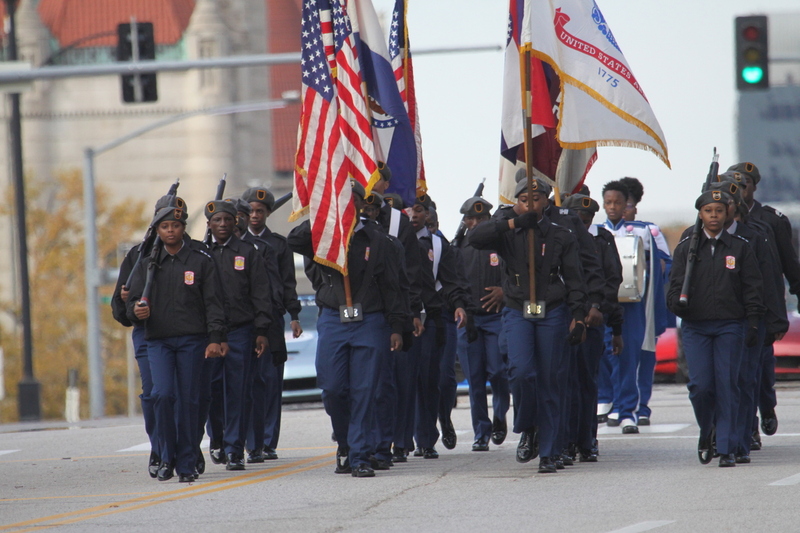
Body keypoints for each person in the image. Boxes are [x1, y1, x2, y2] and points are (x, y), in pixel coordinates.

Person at [287, 180, 406, 478]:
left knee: (366, 390)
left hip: (370, 320)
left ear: (358, 204)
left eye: (346, 200)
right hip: (333, 319)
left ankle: (360, 455)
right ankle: (344, 442)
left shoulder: (377, 239)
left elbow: (393, 287)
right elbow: (293, 240)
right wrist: (320, 214)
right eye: (336, 200)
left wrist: (396, 326)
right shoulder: (321, 236)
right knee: (333, 389)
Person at [470, 176, 588, 473]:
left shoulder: (561, 234)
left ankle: (548, 451)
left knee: (551, 379)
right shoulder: (507, 230)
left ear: (546, 201)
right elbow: (475, 238)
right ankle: (528, 425)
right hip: (517, 308)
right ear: (516, 202)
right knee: (521, 371)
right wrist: (512, 223)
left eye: (536, 199)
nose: (530, 205)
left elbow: (575, 278)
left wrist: (578, 316)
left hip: (552, 309)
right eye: (524, 200)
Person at [127, 206, 227, 482]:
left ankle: (186, 463)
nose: (170, 231)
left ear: (183, 228)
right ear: (157, 231)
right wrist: (137, 310)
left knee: (189, 400)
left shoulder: (200, 259)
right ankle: (165, 454)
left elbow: (214, 303)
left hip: (192, 341)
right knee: (161, 395)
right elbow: (129, 304)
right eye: (165, 227)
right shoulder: (147, 261)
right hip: (158, 341)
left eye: (176, 225)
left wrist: (215, 338)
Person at [667, 187, 765, 467]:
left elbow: (752, 288)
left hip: (730, 325)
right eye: (708, 211)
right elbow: (673, 287)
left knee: (727, 385)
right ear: (700, 214)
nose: (714, 215)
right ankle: (707, 428)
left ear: (727, 214)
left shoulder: (739, 247)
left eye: (719, 211)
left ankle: (727, 447)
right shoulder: (687, 248)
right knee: (700, 386)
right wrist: (677, 304)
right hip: (696, 326)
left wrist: (754, 322)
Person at [730, 161, 800, 439]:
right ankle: (748, 426)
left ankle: (766, 407)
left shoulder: (772, 220)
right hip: (732, 309)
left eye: (743, 185)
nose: (737, 191)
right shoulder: (717, 219)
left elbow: (787, 265)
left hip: (763, 307)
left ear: (754, 187)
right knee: (738, 373)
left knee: (758, 369)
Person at [203, 200, 273, 470]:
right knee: (211, 391)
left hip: (240, 332)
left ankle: (234, 449)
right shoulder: (201, 253)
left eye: (227, 220)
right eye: (217, 221)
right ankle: (217, 439)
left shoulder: (248, 252)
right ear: (209, 225)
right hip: (209, 335)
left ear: (236, 223)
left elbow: (261, 293)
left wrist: (262, 330)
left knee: (238, 391)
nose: (222, 225)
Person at [598, 180, 666, 434]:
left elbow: (660, 265)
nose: (613, 207)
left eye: (618, 202)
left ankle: (629, 410)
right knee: (606, 353)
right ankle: (613, 401)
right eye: (608, 202)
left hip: (633, 303)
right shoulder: (596, 231)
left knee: (629, 354)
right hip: (606, 302)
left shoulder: (644, 231)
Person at [561, 193, 624, 462]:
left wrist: (598, 310)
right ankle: (564, 440)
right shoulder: (558, 237)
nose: (583, 223)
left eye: (587, 219)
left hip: (591, 319)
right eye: (578, 218)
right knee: (563, 382)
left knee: (586, 382)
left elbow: (613, 279)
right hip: (561, 319)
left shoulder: (602, 240)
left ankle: (587, 440)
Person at [243, 186, 303, 461]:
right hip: (244, 321)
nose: (255, 216)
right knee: (247, 382)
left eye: (260, 211)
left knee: (270, 381)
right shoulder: (236, 244)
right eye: (251, 211)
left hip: (273, 319)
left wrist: (294, 316)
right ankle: (250, 442)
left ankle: (268, 441)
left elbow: (288, 283)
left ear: (268, 214)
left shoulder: (279, 245)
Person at [408, 193, 470, 458]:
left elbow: (450, 280)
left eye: (419, 210)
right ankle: (409, 439)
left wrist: (457, 303)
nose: (413, 215)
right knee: (407, 381)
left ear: (428, 215)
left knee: (434, 379)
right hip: (403, 318)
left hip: (433, 318)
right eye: (409, 210)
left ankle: (432, 430)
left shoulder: (439, 244)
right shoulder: (393, 241)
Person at [453, 196, 510, 451]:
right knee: (474, 379)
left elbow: (517, 275)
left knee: (498, 372)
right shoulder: (458, 247)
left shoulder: (502, 244)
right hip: (469, 319)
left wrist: (504, 292)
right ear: (465, 221)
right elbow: (451, 282)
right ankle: (481, 432)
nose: (475, 223)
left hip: (497, 317)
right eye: (471, 219)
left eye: (481, 218)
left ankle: (499, 417)